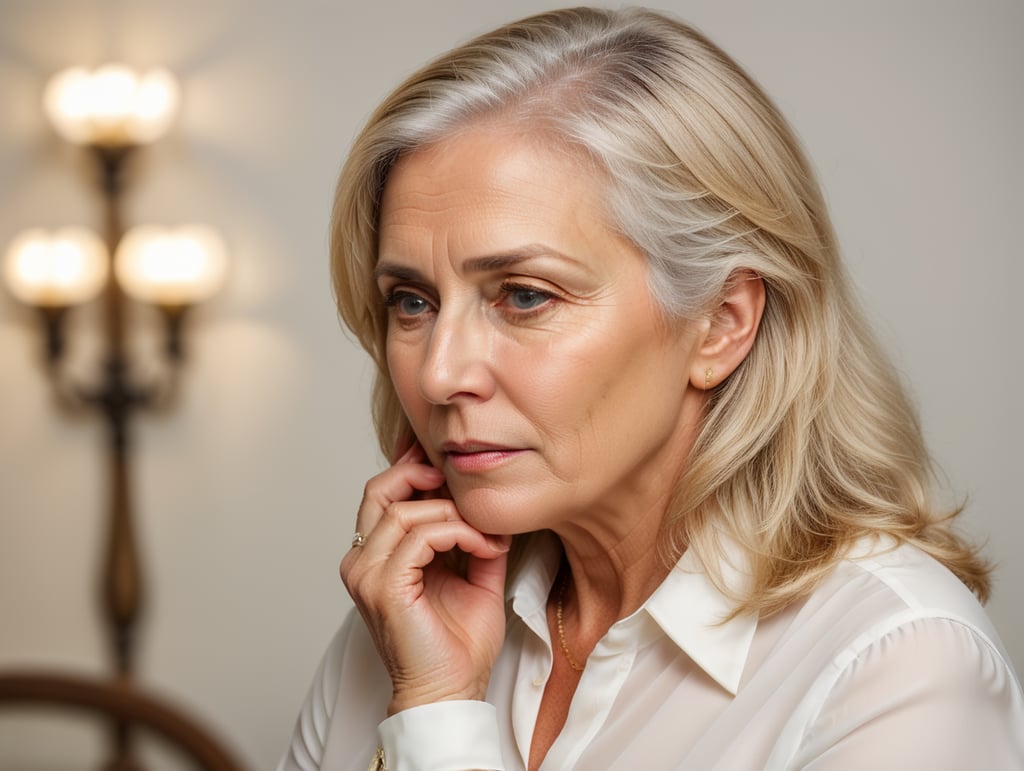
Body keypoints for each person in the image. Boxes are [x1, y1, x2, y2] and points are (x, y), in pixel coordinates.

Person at [278, 7, 1024, 770]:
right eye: (412, 300)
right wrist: (426, 679)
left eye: (524, 295)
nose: (439, 373)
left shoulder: (898, 669)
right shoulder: (408, 616)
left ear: (721, 323)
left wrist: (437, 718)